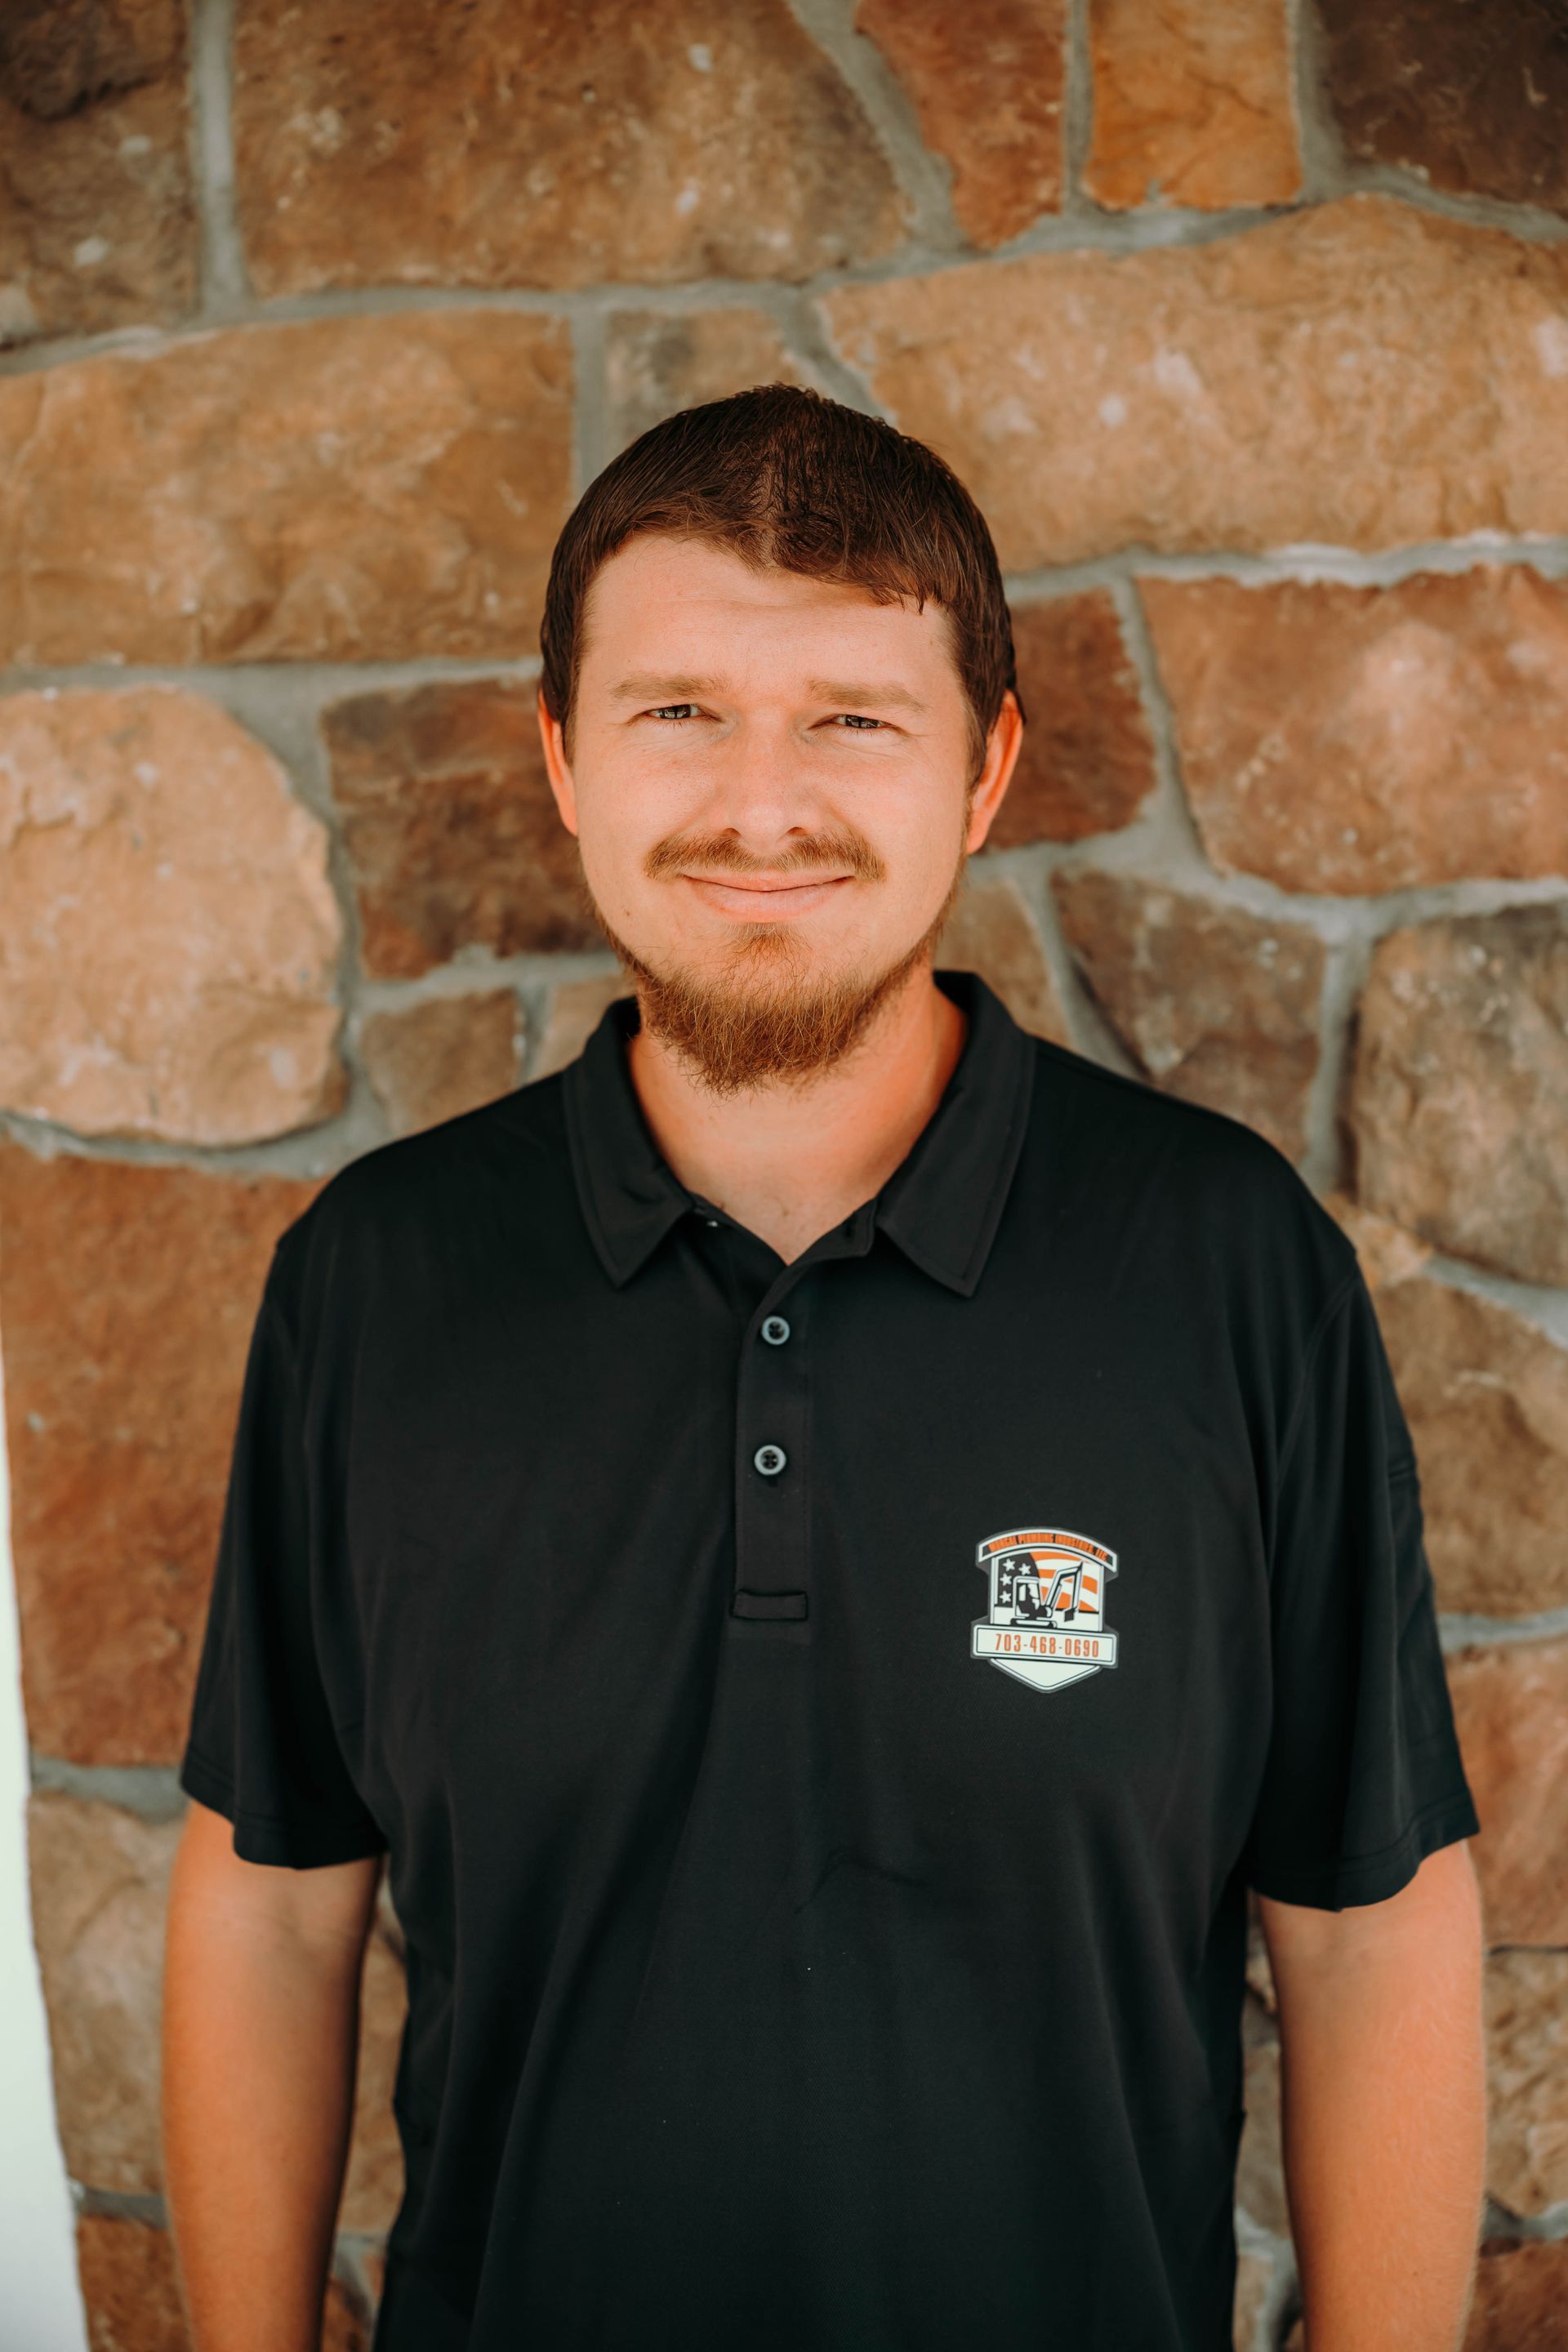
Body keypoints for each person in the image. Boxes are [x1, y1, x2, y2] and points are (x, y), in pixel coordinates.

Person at [162, 386, 1486, 2352]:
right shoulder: (378, 1281)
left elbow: (1370, 1925)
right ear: (561, 756)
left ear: (983, 769)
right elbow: (271, 1905)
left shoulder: (1224, 1268)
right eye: (678, 710)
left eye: (851, 720)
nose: (758, 803)